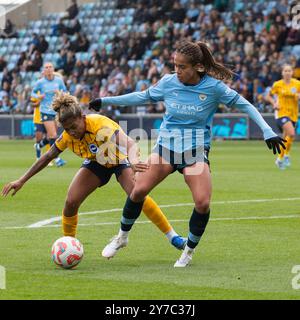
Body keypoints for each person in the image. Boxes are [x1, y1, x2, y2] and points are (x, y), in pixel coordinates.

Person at [89, 40, 286, 267]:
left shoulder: (214, 88)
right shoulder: (168, 82)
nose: (177, 71)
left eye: (182, 67)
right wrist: (105, 101)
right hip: (166, 148)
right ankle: (122, 237)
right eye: (175, 65)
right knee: (138, 190)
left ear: (198, 67)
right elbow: (141, 96)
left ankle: (188, 251)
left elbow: (247, 106)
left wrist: (267, 131)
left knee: (202, 203)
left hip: (195, 151)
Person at [1, 92, 186, 252]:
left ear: (82, 117)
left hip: (118, 160)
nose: (71, 132)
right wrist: (22, 180)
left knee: (137, 195)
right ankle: (69, 244)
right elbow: (47, 156)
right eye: (67, 129)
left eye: (74, 127)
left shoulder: (99, 124)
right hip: (96, 163)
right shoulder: (67, 136)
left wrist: (135, 160)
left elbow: (129, 143)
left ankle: (173, 237)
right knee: (71, 201)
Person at [31, 63, 67, 167]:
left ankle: (39, 145)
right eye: (46, 67)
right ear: (44, 70)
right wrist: (39, 96)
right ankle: (57, 158)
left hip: (55, 110)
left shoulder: (59, 81)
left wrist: (59, 93)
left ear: (53, 69)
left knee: (51, 136)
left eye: (50, 67)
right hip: (45, 111)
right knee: (53, 135)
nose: (48, 69)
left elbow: (65, 91)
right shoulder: (40, 82)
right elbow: (32, 93)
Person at [266, 64, 300, 169]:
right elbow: (268, 96)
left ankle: (280, 159)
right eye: (285, 71)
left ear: (292, 72)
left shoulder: (297, 84)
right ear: (282, 73)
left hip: (293, 114)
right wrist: (274, 103)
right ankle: (285, 156)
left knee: (286, 137)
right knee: (291, 133)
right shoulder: (277, 84)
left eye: (289, 71)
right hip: (281, 113)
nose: (287, 73)